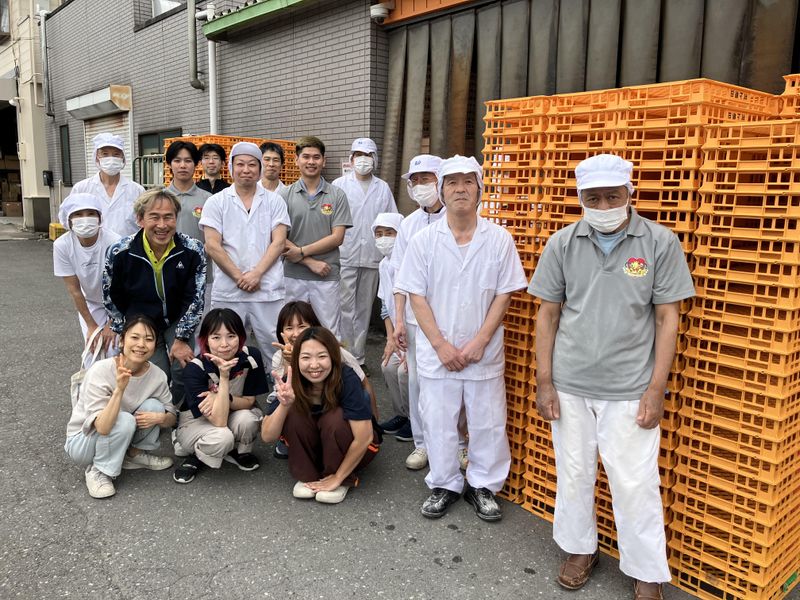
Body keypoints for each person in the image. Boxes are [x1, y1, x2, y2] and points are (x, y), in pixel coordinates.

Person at [527, 154, 695, 600]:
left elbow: (667, 318)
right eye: (593, 198)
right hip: (570, 383)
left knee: (635, 482)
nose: (603, 205)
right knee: (574, 472)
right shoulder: (563, 243)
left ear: (629, 194)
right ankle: (580, 549)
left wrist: (656, 388)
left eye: (612, 196)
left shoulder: (658, 242)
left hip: (629, 387)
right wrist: (545, 381)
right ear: (581, 198)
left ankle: (646, 571)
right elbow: (547, 315)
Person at [395, 155, 527, 521]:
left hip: (483, 351)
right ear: (442, 190)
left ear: (480, 189)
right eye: (452, 182)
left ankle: (484, 485)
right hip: (438, 351)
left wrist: (481, 340)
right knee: (438, 419)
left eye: (469, 181)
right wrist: (440, 345)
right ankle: (444, 483)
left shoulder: (498, 239)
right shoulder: (424, 241)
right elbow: (416, 295)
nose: (460, 189)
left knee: (487, 421)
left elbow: (504, 294)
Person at [103, 188, 207, 404]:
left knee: (183, 369)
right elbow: (111, 295)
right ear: (140, 219)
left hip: (178, 318)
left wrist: (181, 337)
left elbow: (195, 298)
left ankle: (176, 410)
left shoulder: (193, 249)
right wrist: (125, 329)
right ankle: (155, 411)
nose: (162, 225)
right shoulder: (120, 252)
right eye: (154, 217)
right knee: (155, 374)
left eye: (168, 217)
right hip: (141, 320)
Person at [261, 327, 380, 504]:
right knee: (293, 413)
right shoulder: (292, 379)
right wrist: (285, 405)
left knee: (335, 418)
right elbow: (267, 436)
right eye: (306, 357)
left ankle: (340, 477)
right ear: (296, 359)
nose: (314, 365)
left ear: (333, 356)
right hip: (317, 449)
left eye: (322, 356)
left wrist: (338, 477)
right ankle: (308, 475)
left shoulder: (346, 377)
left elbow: (364, 437)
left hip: (356, 448)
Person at [64, 315, 177, 499]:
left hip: (118, 432)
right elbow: (102, 427)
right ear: (122, 341)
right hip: (83, 441)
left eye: (149, 339)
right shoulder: (100, 370)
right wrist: (119, 389)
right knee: (124, 419)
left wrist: (162, 418)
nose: (141, 344)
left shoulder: (157, 375)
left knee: (155, 407)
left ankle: (133, 455)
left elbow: (172, 415)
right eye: (135, 337)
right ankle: (98, 471)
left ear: (155, 345)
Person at [200, 142, 290, 366]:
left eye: (252, 164)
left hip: (267, 288)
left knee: (275, 346)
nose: (246, 170)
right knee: (225, 347)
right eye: (240, 164)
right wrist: (239, 277)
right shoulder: (216, 202)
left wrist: (256, 274)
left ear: (259, 168)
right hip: (229, 290)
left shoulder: (275, 201)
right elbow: (212, 245)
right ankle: (227, 387)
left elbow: (279, 242)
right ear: (231, 167)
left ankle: (278, 386)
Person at [390, 154, 447, 470]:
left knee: (453, 381)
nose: (421, 185)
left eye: (427, 179)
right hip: (414, 319)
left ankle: (457, 445)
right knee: (417, 382)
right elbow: (399, 276)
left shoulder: (459, 219)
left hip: (452, 318)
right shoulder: (408, 224)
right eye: (416, 181)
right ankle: (422, 444)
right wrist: (399, 319)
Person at [172, 308, 268, 483]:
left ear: (241, 336)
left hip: (232, 412)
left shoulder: (251, 356)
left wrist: (222, 397)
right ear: (205, 340)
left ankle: (238, 452)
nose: (224, 344)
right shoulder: (195, 368)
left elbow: (249, 401)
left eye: (231, 336)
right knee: (222, 436)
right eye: (216, 337)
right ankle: (196, 455)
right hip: (196, 422)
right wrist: (224, 377)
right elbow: (219, 420)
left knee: (248, 419)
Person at [332, 138, 398, 366]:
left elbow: (392, 221)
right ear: (351, 159)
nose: (363, 159)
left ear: (375, 159)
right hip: (345, 255)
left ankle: (358, 359)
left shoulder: (383, 188)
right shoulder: (339, 185)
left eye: (368, 155)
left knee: (363, 310)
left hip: (372, 256)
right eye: (358, 155)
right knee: (343, 308)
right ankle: (343, 356)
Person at [279, 136, 352, 338]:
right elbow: (278, 237)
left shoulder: (337, 195)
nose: (311, 161)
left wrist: (301, 252)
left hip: (326, 275)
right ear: (296, 160)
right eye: (306, 157)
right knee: (291, 331)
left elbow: (337, 237)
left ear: (324, 161)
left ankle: (330, 361)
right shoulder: (284, 195)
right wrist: (309, 262)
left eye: (316, 157)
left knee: (329, 331)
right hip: (292, 275)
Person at [53, 192, 121, 365]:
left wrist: (112, 323)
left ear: (99, 217)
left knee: (114, 349)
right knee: (93, 350)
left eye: (91, 213)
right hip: (91, 303)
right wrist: (92, 326)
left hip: (119, 302)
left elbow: (123, 287)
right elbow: (75, 291)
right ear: (69, 220)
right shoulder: (62, 246)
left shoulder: (114, 242)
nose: (85, 219)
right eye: (78, 214)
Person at [371, 212, 411, 442]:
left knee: (405, 372)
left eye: (389, 233)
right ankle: (401, 415)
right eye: (379, 234)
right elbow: (385, 306)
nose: (383, 238)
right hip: (397, 334)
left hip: (415, 333)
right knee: (387, 366)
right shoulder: (383, 264)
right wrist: (389, 340)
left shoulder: (409, 262)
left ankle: (416, 421)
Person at [72, 132, 143, 237]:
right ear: (97, 157)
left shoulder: (137, 190)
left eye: (116, 154)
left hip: (128, 246)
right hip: (94, 246)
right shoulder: (81, 189)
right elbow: (72, 221)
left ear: (123, 157)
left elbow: (144, 223)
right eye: (105, 154)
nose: (111, 159)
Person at [165, 140, 211, 242]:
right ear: (169, 164)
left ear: (196, 164)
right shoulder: (160, 198)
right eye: (177, 161)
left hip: (199, 252)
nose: (183, 165)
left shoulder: (209, 199)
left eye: (188, 161)